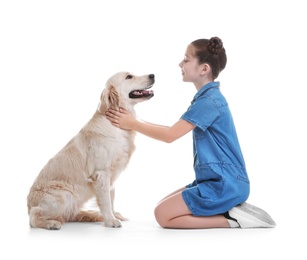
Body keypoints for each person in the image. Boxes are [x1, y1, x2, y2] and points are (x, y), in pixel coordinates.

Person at [105, 36, 276, 229]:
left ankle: (234, 219)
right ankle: (230, 209)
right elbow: (171, 130)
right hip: (219, 180)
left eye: (186, 60)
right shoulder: (206, 98)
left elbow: (170, 135)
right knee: (162, 206)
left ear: (204, 69)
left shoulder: (209, 102)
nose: (180, 63)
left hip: (225, 184)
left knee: (163, 216)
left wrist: (132, 123)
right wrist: (133, 122)